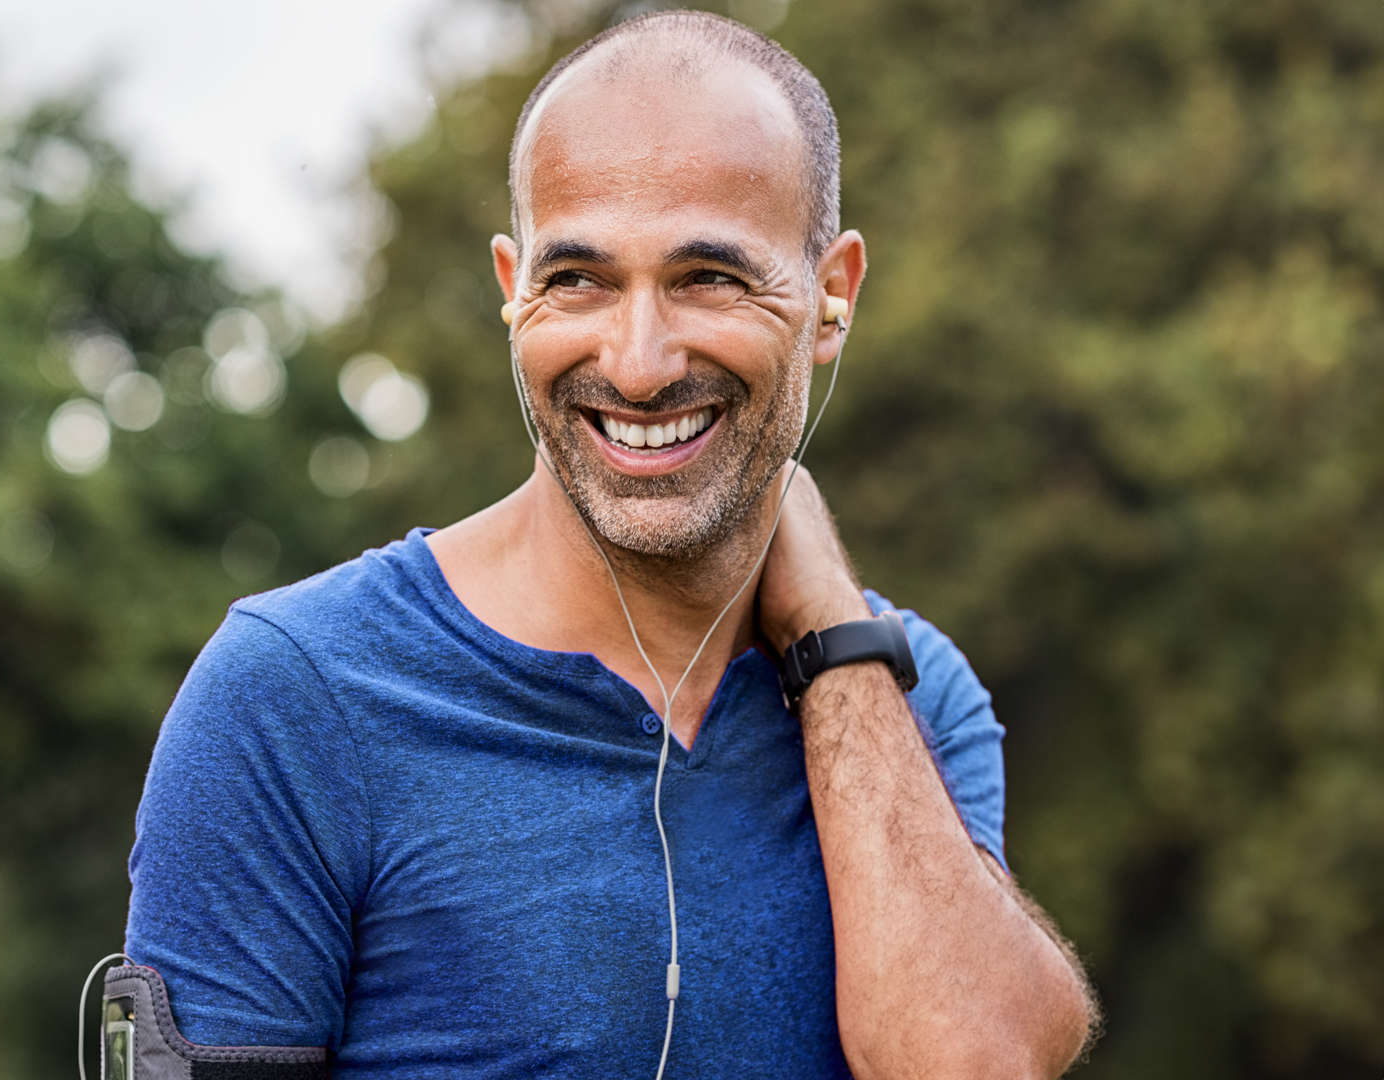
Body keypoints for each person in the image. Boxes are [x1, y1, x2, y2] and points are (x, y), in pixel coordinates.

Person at [121, 10, 1096, 1078]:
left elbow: (977, 1065)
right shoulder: (293, 698)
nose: (637, 364)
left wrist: (827, 634)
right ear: (512, 289)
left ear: (832, 296)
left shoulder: (905, 694)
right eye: (577, 279)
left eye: (709, 278)